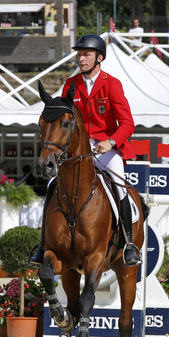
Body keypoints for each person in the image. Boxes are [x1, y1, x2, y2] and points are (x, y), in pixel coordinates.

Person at [29, 33, 140, 267]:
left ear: (99, 58)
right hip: (79, 148)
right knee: (51, 186)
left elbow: (128, 124)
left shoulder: (112, 84)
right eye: (79, 55)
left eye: (86, 55)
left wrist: (110, 142)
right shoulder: (71, 84)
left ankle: (129, 243)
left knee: (120, 188)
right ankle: (42, 246)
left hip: (106, 148)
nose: (81, 59)